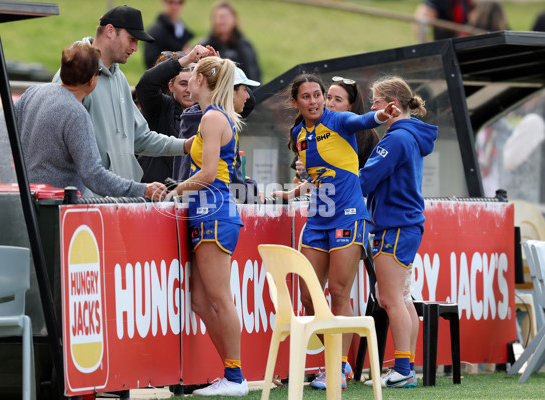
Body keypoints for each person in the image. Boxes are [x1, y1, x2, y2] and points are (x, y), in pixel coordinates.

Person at [271, 74, 400, 391]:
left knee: (340, 293)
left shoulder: (339, 120)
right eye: (307, 97)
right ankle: (332, 357)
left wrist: (382, 116)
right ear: (295, 102)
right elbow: (318, 173)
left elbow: (364, 119)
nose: (314, 101)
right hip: (317, 219)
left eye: (318, 95)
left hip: (349, 216)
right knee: (308, 295)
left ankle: (338, 368)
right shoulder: (299, 134)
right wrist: (293, 191)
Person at [0, 42, 165, 201]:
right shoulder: (76, 114)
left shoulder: (34, 92)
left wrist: (13, 181)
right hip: (56, 212)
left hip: (26, 205)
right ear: (91, 80)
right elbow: (94, 175)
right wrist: (142, 190)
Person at [167, 56, 248, 396]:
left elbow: (208, 174)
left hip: (214, 212)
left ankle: (235, 376)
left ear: (202, 80)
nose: (188, 83)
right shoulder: (213, 116)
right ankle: (230, 372)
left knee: (219, 299)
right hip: (208, 213)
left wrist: (176, 189)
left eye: (192, 77)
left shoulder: (213, 117)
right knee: (201, 301)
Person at [53, 5, 192, 182]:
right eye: (132, 39)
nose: (135, 48)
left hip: (118, 200)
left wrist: (184, 145)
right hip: (87, 201)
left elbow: (141, 138)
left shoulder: (120, 79)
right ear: (110, 31)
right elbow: (58, 142)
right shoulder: (75, 75)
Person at [359, 76, 438, 388]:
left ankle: (403, 370)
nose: (374, 107)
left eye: (376, 101)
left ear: (392, 105)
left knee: (391, 298)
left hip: (396, 226)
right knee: (401, 297)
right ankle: (405, 366)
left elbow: (365, 181)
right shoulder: (407, 135)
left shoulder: (396, 138)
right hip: (404, 225)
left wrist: (329, 179)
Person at [172, 67, 260, 203]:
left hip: (210, 209)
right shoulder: (213, 120)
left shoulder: (211, 119)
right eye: (244, 89)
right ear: (229, 92)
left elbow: (216, 176)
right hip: (210, 209)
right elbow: (208, 175)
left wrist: (171, 194)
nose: (247, 96)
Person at [135, 45, 214, 183]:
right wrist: (187, 59)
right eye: (183, 84)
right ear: (171, 87)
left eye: (193, 83)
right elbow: (146, 84)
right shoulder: (160, 107)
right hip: (155, 195)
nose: (189, 90)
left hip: (192, 194)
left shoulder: (207, 112)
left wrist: (216, 69)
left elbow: (246, 104)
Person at [199, 1, 261, 82]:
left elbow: (253, 75)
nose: (220, 21)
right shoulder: (204, 47)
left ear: (234, 19)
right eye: (217, 17)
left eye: (224, 17)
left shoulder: (245, 47)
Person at [144, 0, 193, 69]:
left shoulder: (182, 29)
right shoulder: (155, 31)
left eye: (179, 2)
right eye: (170, 2)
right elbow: (150, 62)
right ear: (163, 3)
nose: (175, 6)